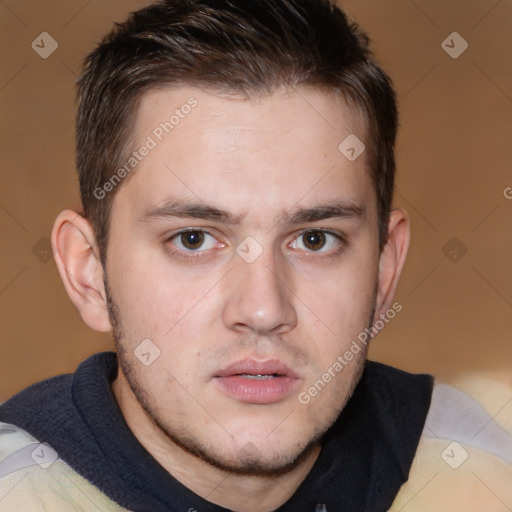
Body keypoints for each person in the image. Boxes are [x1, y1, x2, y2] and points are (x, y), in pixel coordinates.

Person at [0, 1, 510, 510]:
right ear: (89, 271)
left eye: (315, 239)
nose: (263, 310)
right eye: (194, 239)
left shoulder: (483, 479)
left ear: (383, 270)